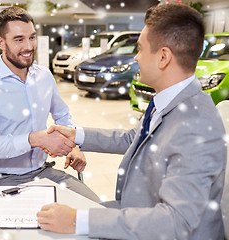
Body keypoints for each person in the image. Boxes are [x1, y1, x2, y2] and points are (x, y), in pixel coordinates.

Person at [37, 4, 227, 240]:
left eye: (140, 48)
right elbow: (134, 138)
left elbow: (177, 222)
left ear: (164, 57)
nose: (136, 57)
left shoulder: (196, 126)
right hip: (139, 213)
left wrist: (77, 220)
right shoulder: (169, 99)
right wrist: (77, 135)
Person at [0, 6, 99, 202]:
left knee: (96, 208)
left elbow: (62, 115)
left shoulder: (44, 76)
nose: (29, 46)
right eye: (19, 40)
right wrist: (34, 139)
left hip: (44, 172)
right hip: (4, 180)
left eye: (32, 37)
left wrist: (73, 146)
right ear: (1, 42)